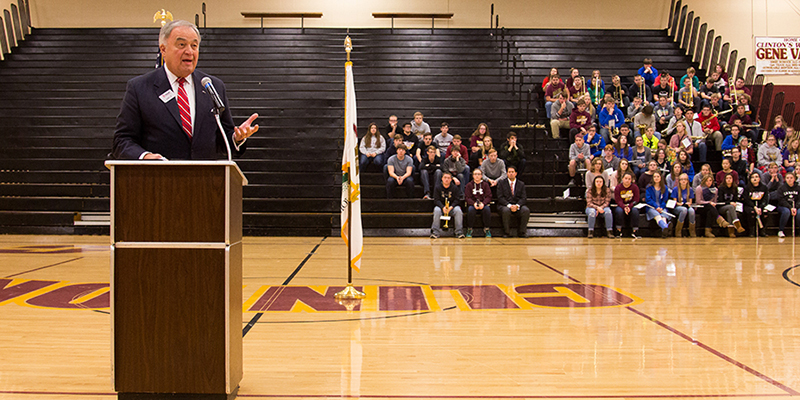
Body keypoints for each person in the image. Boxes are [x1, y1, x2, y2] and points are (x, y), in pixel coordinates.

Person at [112, 20, 259, 160]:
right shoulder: (139, 88)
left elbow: (223, 139)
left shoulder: (212, 86)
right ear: (163, 49)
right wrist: (145, 157)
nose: (189, 51)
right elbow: (122, 140)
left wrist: (236, 138)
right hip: (158, 179)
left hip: (205, 180)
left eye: (194, 46)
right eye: (181, 45)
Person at [496, 165, 530, 238]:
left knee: (525, 210)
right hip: (505, 205)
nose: (511, 173)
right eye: (509, 172)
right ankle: (507, 232)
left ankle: (522, 232)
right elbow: (500, 197)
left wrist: (517, 205)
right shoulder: (501, 183)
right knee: (506, 210)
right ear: (507, 173)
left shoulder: (521, 184)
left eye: (512, 172)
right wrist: (509, 205)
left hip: (517, 205)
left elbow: (523, 197)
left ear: (516, 173)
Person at [430, 172, 464, 239]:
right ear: (442, 178)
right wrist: (442, 207)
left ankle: (459, 232)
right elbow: (436, 200)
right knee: (436, 210)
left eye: (448, 178)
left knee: (458, 210)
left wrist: (451, 207)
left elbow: (457, 200)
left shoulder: (455, 188)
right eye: (445, 177)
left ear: (451, 179)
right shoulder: (437, 187)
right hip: (441, 207)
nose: (446, 179)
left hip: (451, 208)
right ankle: (435, 233)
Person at [465, 168, 493, 238]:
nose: (477, 176)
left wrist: (483, 203)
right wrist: (473, 203)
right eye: (475, 174)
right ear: (473, 176)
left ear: (481, 176)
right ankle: (470, 229)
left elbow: (489, 196)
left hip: (483, 204)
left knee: (487, 209)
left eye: (478, 174)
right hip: (473, 204)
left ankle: (487, 229)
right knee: (470, 210)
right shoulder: (469, 185)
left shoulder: (485, 185)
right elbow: (467, 197)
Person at [614, 173, 641, 239]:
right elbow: (618, 200)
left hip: (631, 205)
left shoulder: (635, 187)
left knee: (635, 211)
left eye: (629, 179)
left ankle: (635, 231)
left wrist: (629, 206)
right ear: (622, 179)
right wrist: (624, 207)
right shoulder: (618, 187)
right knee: (619, 211)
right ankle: (618, 231)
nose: (627, 180)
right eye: (626, 178)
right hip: (621, 205)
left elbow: (636, 199)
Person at [645, 171, 672, 237]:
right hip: (651, 207)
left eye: (658, 176)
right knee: (658, 216)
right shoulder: (649, 187)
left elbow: (665, 200)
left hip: (662, 207)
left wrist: (661, 207)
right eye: (654, 177)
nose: (656, 178)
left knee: (664, 216)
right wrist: (656, 207)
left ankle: (664, 231)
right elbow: (648, 200)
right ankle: (666, 226)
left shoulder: (665, 188)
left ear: (661, 178)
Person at [743, 172, 769, 237]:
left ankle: (763, 230)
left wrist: (760, 207)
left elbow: (765, 199)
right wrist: (754, 207)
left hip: (760, 206)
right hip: (750, 205)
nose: (754, 178)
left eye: (756, 177)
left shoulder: (764, 188)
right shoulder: (747, 188)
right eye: (753, 177)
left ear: (759, 179)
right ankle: (752, 230)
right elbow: (746, 200)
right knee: (751, 212)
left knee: (765, 212)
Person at [670, 173, 696, 237]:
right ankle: (678, 230)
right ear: (679, 181)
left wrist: (687, 204)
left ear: (687, 181)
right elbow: (675, 202)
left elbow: (690, 202)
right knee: (684, 210)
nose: (683, 181)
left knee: (692, 211)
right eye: (682, 179)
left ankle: (692, 230)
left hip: (686, 206)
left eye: (685, 179)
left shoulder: (690, 189)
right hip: (678, 207)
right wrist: (681, 204)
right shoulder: (675, 189)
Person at [776, 171, 800, 238]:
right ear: (785, 179)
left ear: (794, 179)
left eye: (791, 178)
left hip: (796, 206)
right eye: (788, 178)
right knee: (786, 212)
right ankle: (781, 230)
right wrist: (790, 207)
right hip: (784, 206)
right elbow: (781, 200)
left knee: (799, 213)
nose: (789, 179)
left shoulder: (798, 188)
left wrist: (796, 207)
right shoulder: (781, 188)